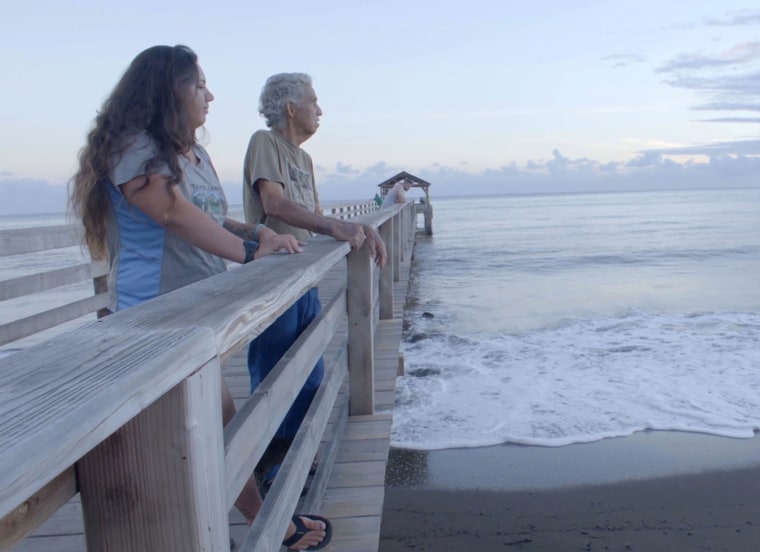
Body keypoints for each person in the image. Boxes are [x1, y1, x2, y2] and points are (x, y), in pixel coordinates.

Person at [68, 45, 330, 551]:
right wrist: (248, 254)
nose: (210, 95)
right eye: (198, 85)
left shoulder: (194, 154)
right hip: (155, 319)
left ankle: (263, 526)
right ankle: (268, 527)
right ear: (168, 90)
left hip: (199, 316)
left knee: (209, 433)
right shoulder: (133, 148)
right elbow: (171, 214)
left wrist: (259, 237)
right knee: (209, 433)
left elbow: (209, 217)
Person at [242, 73, 387, 485]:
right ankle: (268, 470)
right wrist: (334, 230)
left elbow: (317, 218)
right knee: (274, 376)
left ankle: (296, 461)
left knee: (310, 373)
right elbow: (274, 203)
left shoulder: (304, 160)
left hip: (305, 275)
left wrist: (363, 229)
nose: (319, 110)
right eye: (314, 102)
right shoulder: (265, 142)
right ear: (290, 108)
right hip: (273, 279)